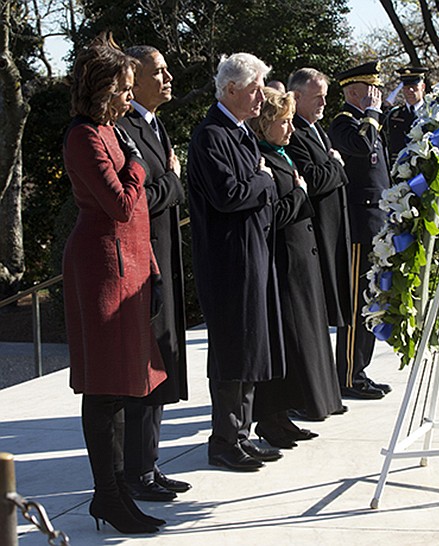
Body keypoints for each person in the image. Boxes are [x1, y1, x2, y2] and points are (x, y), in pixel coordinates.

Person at [62, 33, 166, 534]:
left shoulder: (111, 131)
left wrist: (155, 270)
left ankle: (119, 490)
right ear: (104, 88)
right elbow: (122, 204)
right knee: (105, 389)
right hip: (102, 269)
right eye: (125, 88)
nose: (131, 96)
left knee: (123, 387)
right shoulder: (84, 136)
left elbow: (138, 215)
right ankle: (108, 495)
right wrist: (143, 166)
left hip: (130, 267)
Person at [187, 52, 284, 472]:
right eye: (254, 88)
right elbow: (230, 194)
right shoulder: (212, 135)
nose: (261, 96)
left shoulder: (240, 132)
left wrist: (261, 181)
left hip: (253, 252)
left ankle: (241, 432)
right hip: (229, 260)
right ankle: (224, 440)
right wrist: (263, 178)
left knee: (249, 349)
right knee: (232, 350)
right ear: (230, 89)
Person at [248, 88, 343, 445]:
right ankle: (270, 419)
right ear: (265, 124)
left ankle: (284, 415)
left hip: (303, 258)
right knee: (286, 340)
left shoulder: (281, 154)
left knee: (301, 339)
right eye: (282, 122)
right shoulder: (264, 158)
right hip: (283, 260)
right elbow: (274, 214)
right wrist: (301, 193)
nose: (290, 129)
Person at [117, 45, 190, 502]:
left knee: (162, 361)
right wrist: (174, 180)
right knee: (145, 366)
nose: (167, 78)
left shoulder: (155, 124)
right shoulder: (125, 129)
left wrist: (168, 181)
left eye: (166, 71)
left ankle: (150, 463)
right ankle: (135, 472)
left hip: (164, 258)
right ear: (135, 80)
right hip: (143, 262)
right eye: (157, 72)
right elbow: (137, 199)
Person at [328, 61, 393, 400]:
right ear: (353, 91)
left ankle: (360, 369)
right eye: (371, 90)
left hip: (376, 223)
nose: (376, 96)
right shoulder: (344, 123)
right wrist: (372, 115)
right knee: (356, 305)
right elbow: (361, 146)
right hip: (358, 226)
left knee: (371, 302)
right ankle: (348, 375)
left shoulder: (369, 122)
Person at [286, 68, 352, 337]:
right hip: (317, 229)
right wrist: (336, 164)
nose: (324, 103)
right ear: (297, 97)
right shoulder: (295, 132)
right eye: (318, 98)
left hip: (334, 228)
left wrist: (332, 167)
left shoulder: (316, 128)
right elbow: (312, 179)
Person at [384, 66, 428, 164]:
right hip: (398, 170)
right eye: (407, 87)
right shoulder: (394, 115)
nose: (410, 90)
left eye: (414, 86)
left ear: (423, 87)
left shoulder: (430, 113)